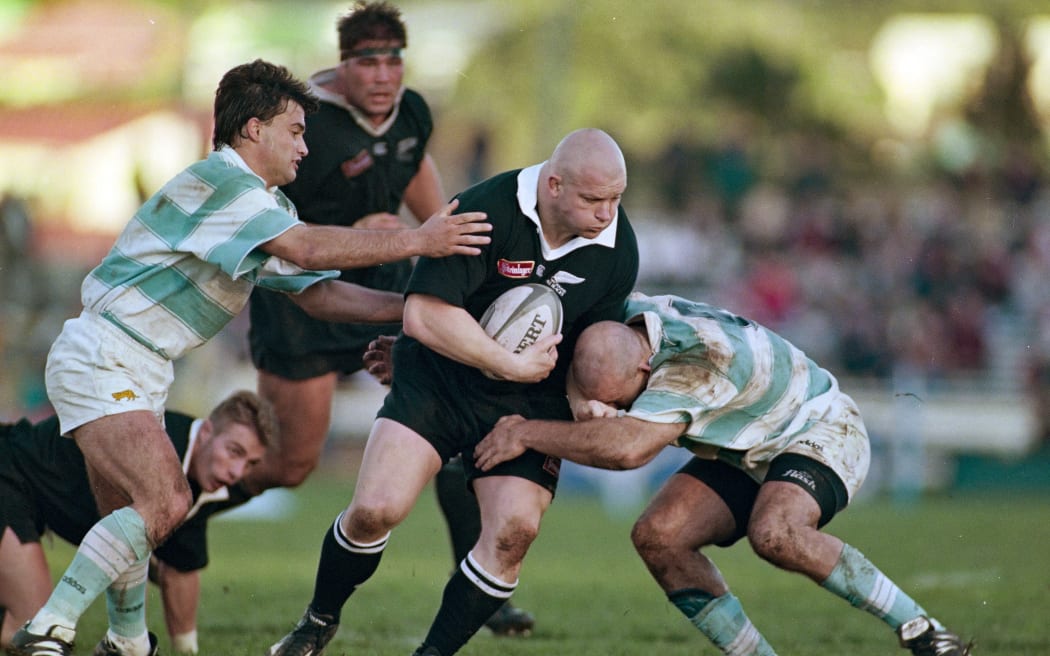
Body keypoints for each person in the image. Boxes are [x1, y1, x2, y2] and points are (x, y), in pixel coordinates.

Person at [8, 59, 490, 656]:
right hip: (106, 353)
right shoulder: (223, 184)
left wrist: (417, 309)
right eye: (295, 130)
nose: (306, 148)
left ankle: (127, 642)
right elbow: (310, 250)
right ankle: (49, 627)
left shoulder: (266, 209)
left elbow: (318, 295)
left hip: (138, 364)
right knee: (168, 502)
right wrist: (421, 239)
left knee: (137, 517)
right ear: (253, 129)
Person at [267, 127, 639, 656]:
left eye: (616, 199)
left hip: (527, 401)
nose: (607, 214)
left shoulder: (617, 247)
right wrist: (506, 362)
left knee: (513, 532)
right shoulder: (487, 209)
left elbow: (587, 344)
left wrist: (584, 403)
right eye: (593, 199)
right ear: (554, 185)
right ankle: (319, 618)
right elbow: (422, 313)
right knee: (376, 509)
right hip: (439, 378)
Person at [474, 292, 974, 656]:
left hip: (819, 428)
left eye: (619, 403)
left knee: (776, 533)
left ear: (646, 374)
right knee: (659, 536)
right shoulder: (620, 323)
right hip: (749, 443)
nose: (609, 412)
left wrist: (525, 433)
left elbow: (628, 451)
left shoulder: (698, 367)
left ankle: (925, 633)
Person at [244, 2, 531, 635]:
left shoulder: (414, 114)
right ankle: (185, 508)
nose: (381, 73)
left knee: (453, 435)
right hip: (303, 305)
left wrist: (457, 242)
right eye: (366, 60)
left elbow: (424, 188)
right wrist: (374, 233)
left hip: (389, 298)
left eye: (392, 58)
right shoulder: (305, 122)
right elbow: (275, 234)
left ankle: (484, 591)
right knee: (292, 464)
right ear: (342, 65)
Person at [0, 391, 276, 656]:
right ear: (205, 432)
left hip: (32, 502)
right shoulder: (159, 443)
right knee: (30, 629)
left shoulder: (201, 478)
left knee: (36, 628)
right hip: (9, 474)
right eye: (234, 451)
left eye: (250, 464)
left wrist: (187, 650)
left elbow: (181, 569)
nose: (237, 472)